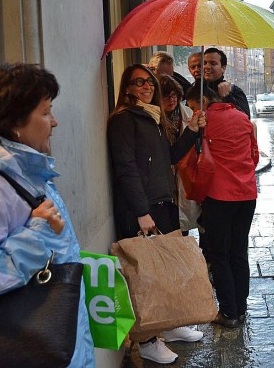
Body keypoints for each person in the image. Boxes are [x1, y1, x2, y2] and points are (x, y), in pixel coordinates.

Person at [0, 63, 96, 367]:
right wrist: (37, 233)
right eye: (45, 112)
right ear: (15, 121)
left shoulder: (29, 172)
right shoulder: (1, 184)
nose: (55, 122)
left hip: (61, 341)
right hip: (32, 346)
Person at [107, 64, 205, 364]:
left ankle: (171, 325)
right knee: (146, 276)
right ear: (127, 88)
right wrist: (141, 211)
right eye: (139, 82)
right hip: (143, 208)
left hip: (163, 203)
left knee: (167, 270)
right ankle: (148, 340)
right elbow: (126, 167)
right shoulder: (124, 119)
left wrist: (191, 131)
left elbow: (171, 157)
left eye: (149, 82)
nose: (147, 87)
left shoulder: (154, 116)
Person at [185, 84, 259, 328]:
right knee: (239, 251)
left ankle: (228, 312)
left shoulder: (204, 122)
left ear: (203, 100)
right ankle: (240, 305)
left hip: (219, 196)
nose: (193, 111)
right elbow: (254, 155)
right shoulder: (243, 117)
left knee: (219, 253)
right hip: (247, 194)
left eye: (193, 106)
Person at [158, 74, 201, 236]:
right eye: (166, 96)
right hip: (164, 184)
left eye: (174, 95)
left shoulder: (189, 115)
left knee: (183, 228)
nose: (171, 100)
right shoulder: (154, 120)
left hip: (185, 177)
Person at [194, 47, 250, 118]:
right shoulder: (197, 90)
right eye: (204, 63)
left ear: (223, 68)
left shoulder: (233, 91)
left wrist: (227, 97)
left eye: (213, 63)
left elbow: (245, 119)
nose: (207, 67)